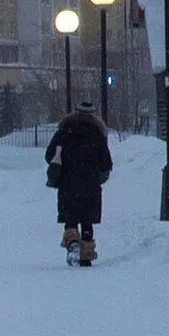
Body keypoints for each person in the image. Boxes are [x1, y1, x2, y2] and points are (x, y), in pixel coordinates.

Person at [45, 100, 114, 265]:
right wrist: (98, 176)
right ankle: (86, 254)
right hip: (90, 184)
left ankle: (72, 243)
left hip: (68, 183)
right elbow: (106, 163)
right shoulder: (98, 135)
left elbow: (49, 155)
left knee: (71, 217)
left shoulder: (64, 132)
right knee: (87, 220)